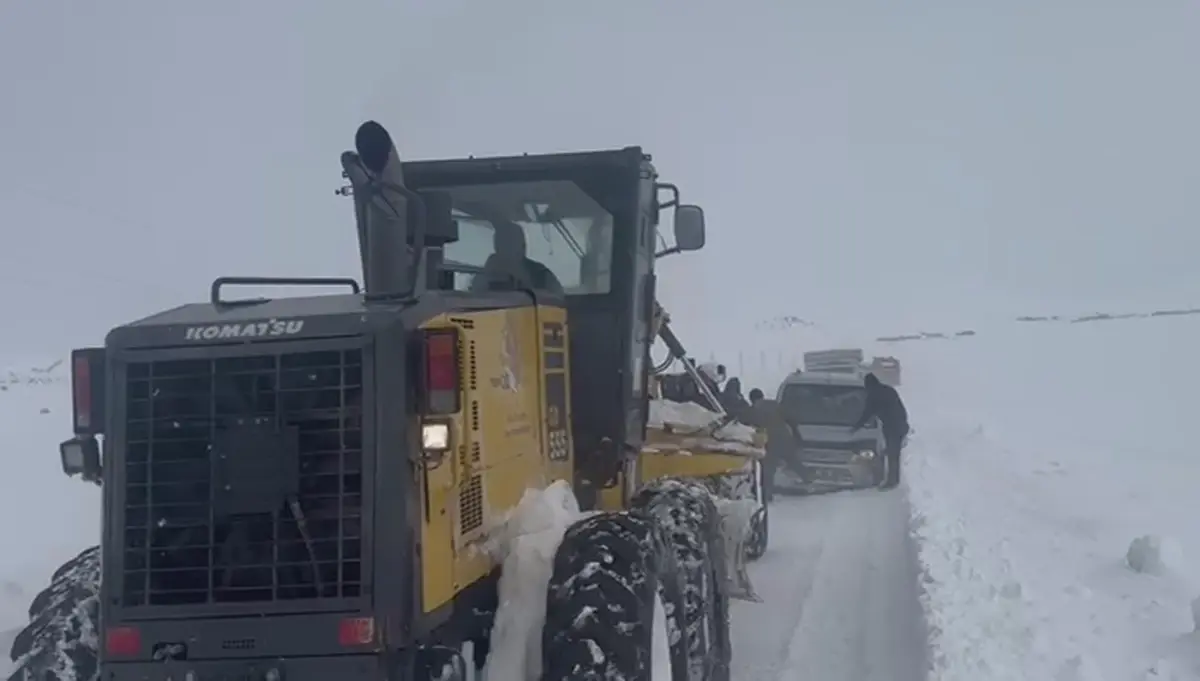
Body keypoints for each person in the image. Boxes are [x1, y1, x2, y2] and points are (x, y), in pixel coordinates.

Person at [741, 388, 803, 503]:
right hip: (784, 438)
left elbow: (745, 424)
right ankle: (809, 479)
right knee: (794, 461)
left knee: (768, 469)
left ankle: (767, 494)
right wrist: (796, 434)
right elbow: (791, 419)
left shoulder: (752, 410)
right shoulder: (775, 405)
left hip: (770, 442)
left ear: (751, 399)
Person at [850, 373, 909, 488]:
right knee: (894, 454)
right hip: (900, 424)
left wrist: (856, 427)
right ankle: (894, 479)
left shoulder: (874, 395)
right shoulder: (889, 390)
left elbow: (867, 413)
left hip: (892, 426)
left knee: (892, 453)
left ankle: (892, 481)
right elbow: (900, 408)